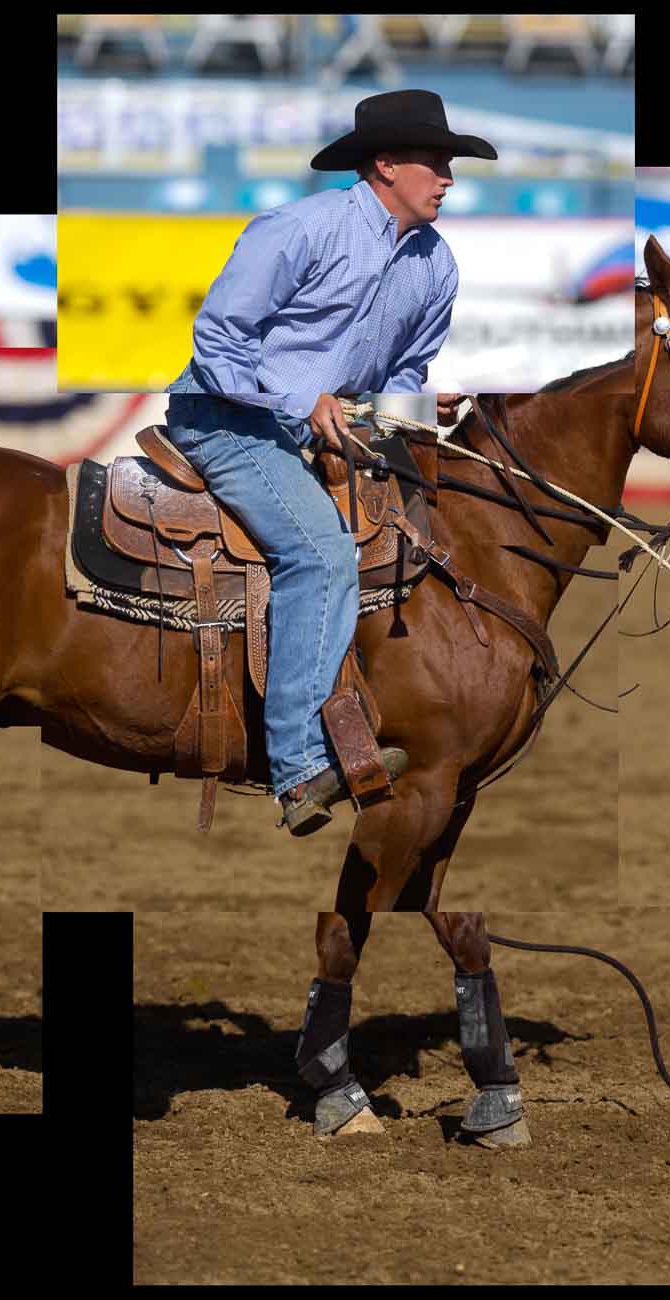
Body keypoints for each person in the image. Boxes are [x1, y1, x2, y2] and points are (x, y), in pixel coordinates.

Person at [162, 89, 494, 834]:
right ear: (384, 164)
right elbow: (217, 341)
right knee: (319, 554)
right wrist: (298, 399)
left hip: (329, 431)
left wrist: (416, 408)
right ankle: (299, 765)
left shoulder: (435, 265)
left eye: (448, 164)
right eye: (435, 162)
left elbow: (401, 375)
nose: (448, 178)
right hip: (226, 419)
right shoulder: (300, 228)